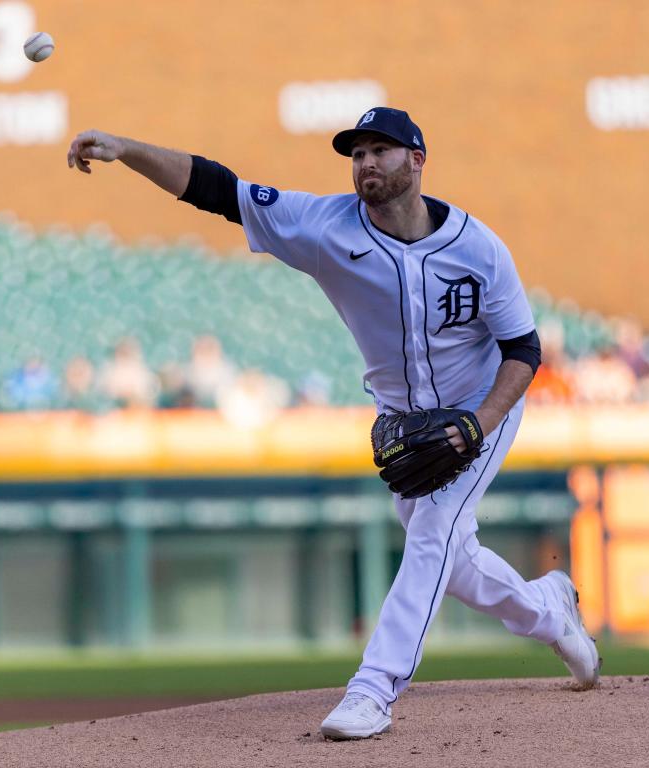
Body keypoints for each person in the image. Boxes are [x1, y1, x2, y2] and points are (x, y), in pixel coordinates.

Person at [66, 107, 600, 740]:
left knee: (432, 531)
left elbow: (524, 350)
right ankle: (548, 608)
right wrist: (126, 148)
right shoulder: (325, 225)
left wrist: (479, 423)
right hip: (407, 422)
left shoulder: (478, 248)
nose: (366, 162)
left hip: (482, 404)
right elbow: (218, 189)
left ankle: (373, 690)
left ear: (417, 161)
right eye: (357, 153)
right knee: (451, 559)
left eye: (382, 149)